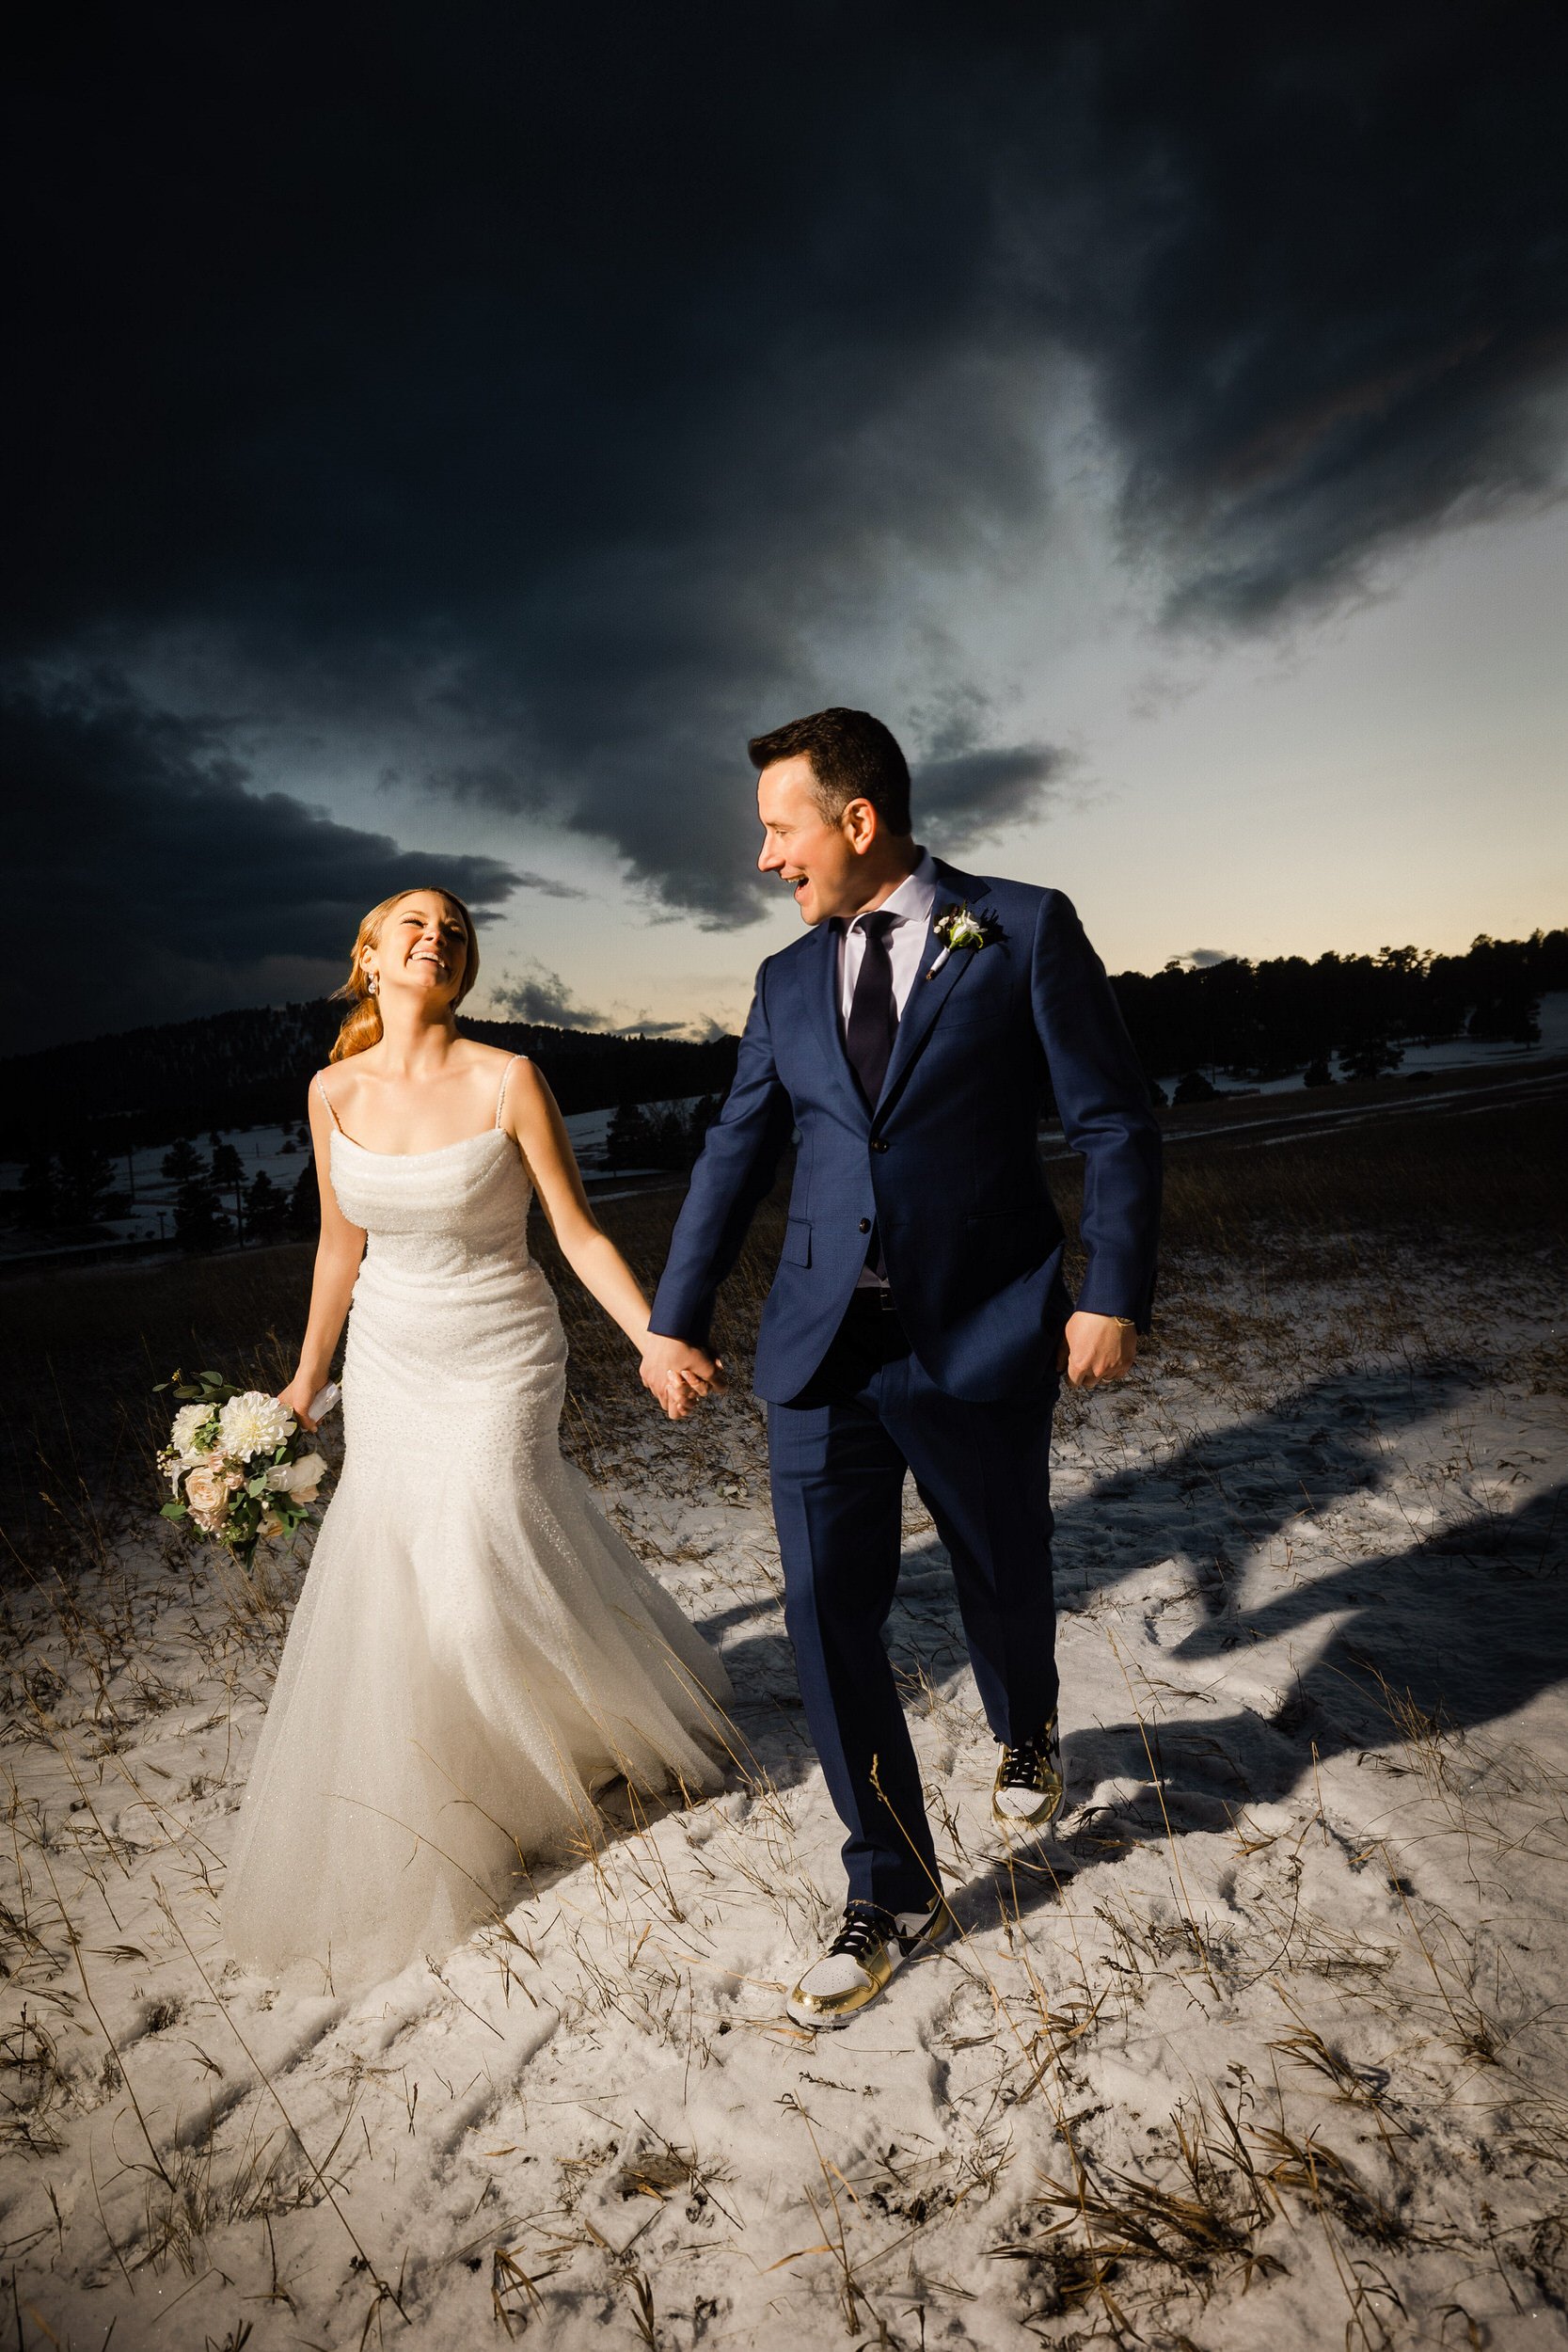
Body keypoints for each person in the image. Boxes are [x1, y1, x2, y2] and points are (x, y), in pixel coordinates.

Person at [641, 708, 1161, 2027]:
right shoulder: (778, 985)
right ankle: (891, 1881)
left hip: (980, 1326)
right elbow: (733, 1154)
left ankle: (1026, 1715)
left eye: (778, 829)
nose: (766, 861)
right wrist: (674, 1313)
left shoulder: (1021, 929)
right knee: (824, 1611)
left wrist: (1108, 1291)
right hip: (821, 1348)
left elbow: (1111, 1120)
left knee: (997, 1561)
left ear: (854, 820)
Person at [223, 887, 733, 1990]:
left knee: (484, 1535)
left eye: (454, 929)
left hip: (500, 1346)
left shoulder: (508, 1079)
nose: (435, 934)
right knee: (411, 1573)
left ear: (462, 968)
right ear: (367, 956)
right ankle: (485, 1778)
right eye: (412, 921)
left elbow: (577, 1230)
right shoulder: (330, 1090)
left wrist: (653, 1339)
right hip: (391, 1362)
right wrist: (306, 1382)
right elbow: (335, 1250)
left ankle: (564, 1757)